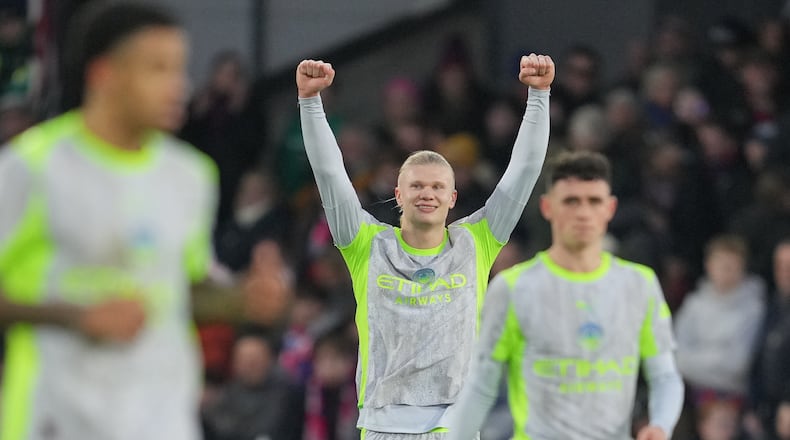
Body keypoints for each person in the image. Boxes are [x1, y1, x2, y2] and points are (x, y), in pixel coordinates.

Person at [0, 3, 286, 440]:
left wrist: (241, 300)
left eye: (180, 69)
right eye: (158, 69)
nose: (180, 87)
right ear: (104, 75)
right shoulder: (33, 166)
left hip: (162, 419)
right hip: (57, 419)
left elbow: (181, 290)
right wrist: (74, 317)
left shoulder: (191, 175)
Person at [296, 53, 554, 438]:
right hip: (384, 427)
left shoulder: (477, 240)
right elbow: (330, 173)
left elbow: (525, 171)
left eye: (437, 187)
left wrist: (539, 96)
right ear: (398, 194)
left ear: (453, 197)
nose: (427, 194)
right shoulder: (365, 243)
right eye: (417, 185)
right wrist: (310, 102)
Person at [447, 151, 684, 440]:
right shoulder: (514, 288)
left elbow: (664, 375)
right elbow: (480, 386)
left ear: (610, 208)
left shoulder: (639, 284)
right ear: (547, 207)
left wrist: (661, 424)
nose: (583, 212)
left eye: (593, 201)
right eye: (571, 201)